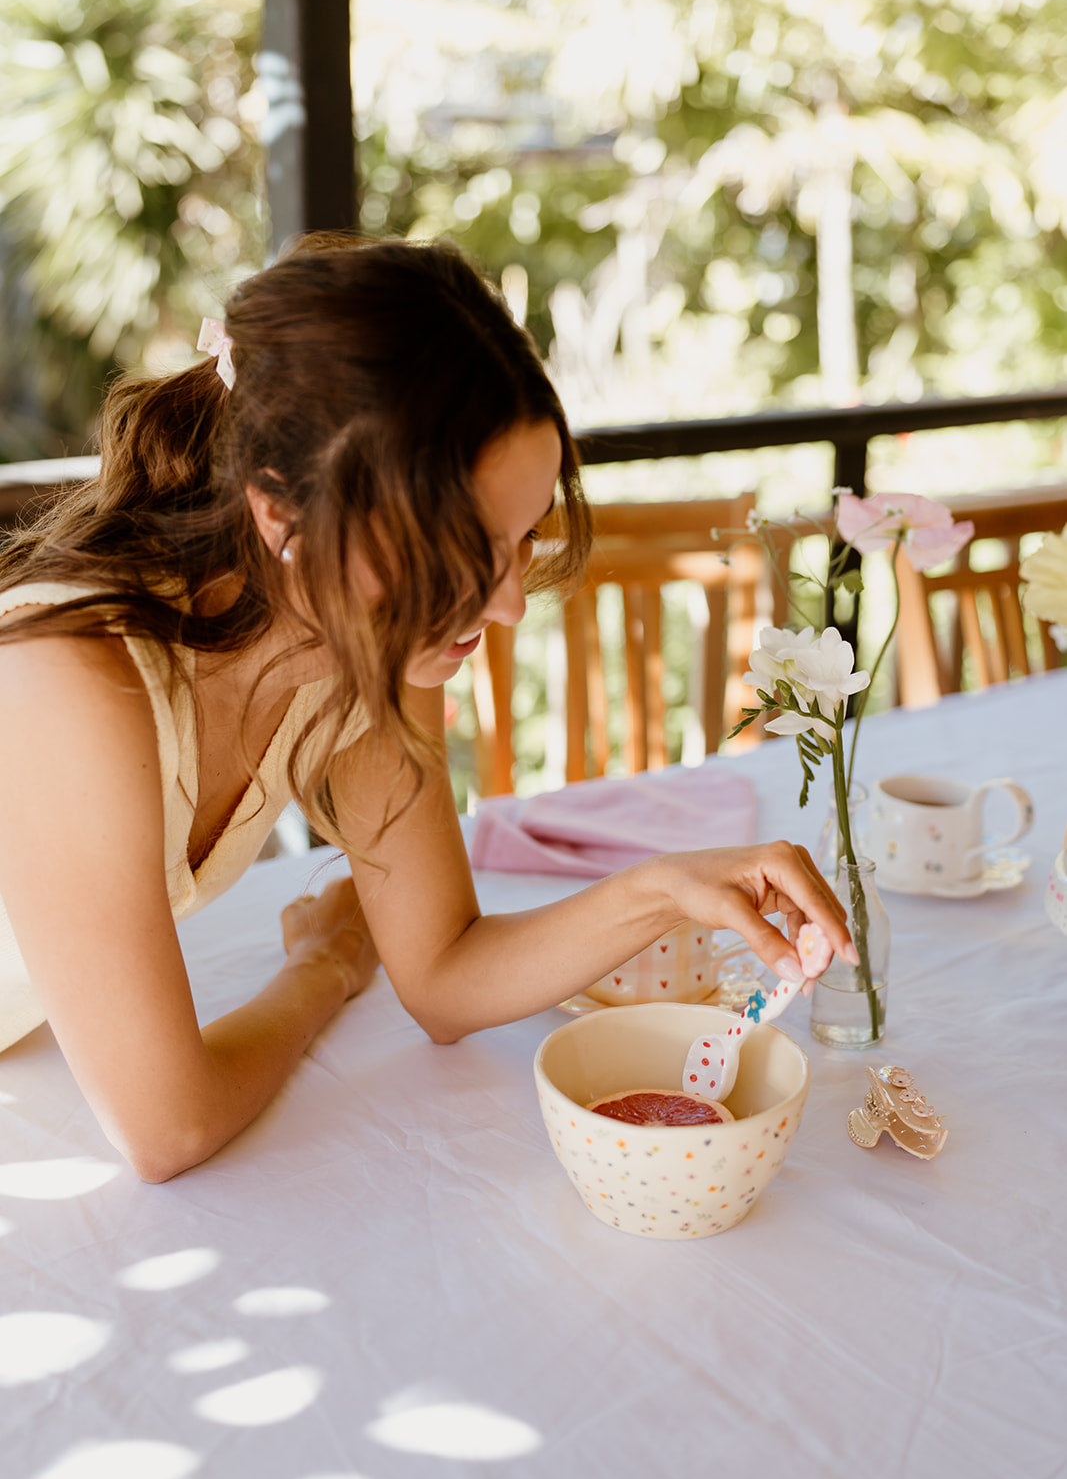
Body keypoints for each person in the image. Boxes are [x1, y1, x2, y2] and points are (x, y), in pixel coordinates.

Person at [0, 233, 852, 1183]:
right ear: (282, 513)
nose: (508, 603)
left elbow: (444, 976)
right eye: (460, 548)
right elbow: (169, 1130)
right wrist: (320, 972)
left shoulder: (362, 652)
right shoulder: (69, 681)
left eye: (522, 539)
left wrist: (663, 890)